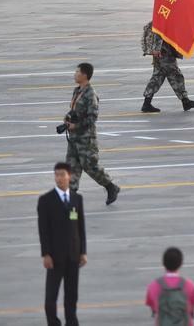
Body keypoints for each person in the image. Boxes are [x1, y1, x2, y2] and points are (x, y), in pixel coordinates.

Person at [37, 162, 87, 326]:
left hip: (73, 255)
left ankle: (71, 322)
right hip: (55, 256)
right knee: (51, 296)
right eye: (56, 175)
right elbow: (43, 230)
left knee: (72, 294)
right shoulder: (46, 200)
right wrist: (46, 254)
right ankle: (53, 323)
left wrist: (83, 252)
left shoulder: (76, 199)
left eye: (62, 175)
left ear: (69, 176)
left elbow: (81, 227)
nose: (59, 178)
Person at [64, 62, 120, 203]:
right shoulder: (77, 91)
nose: (75, 74)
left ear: (85, 75)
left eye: (77, 72)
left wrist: (75, 126)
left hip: (86, 137)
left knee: (90, 166)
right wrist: (67, 119)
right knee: (71, 167)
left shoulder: (90, 94)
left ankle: (110, 186)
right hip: (74, 138)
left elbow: (92, 117)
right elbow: (74, 111)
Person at [141, 21, 194, 114]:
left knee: (158, 77)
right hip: (164, 52)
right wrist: (156, 49)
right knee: (176, 75)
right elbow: (159, 31)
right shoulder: (165, 15)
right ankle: (185, 101)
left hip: (163, 51)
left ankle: (147, 103)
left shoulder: (165, 13)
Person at [146, 247, 194, 326]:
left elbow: (154, 309)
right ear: (181, 263)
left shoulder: (154, 285)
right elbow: (192, 310)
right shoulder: (189, 285)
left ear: (163, 263)